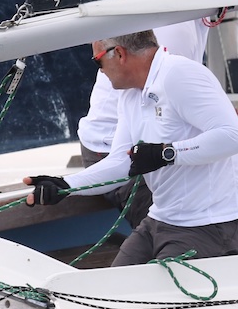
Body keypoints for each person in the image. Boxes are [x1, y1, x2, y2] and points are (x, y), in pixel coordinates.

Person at [25, 30, 238, 265]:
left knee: (154, 298)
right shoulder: (130, 94)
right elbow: (121, 163)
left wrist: (166, 153)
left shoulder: (179, 74)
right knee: (115, 292)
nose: (100, 70)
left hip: (210, 222)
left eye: (98, 61)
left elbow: (234, 137)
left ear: (118, 53)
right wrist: (65, 186)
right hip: (163, 218)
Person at [76, 19, 209, 227]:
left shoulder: (193, 13)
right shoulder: (175, 27)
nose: (101, 69)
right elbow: (120, 161)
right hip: (115, 148)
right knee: (179, 228)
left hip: (143, 143)